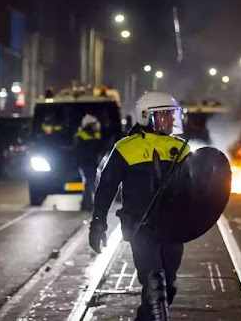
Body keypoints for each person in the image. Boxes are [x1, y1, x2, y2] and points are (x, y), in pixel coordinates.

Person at [89, 91, 189, 320]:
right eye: (165, 114)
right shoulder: (126, 148)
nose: (172, 120)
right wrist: (97, 224)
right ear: (147, 116)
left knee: (169, 286)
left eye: (173, 114)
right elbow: (106, 188)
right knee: (155, 285)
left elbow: (194, 189)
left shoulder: (181, 148)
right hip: (140, 226)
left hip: (172, 229)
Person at [74, 114, 102, 210]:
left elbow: (99, 148)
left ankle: (88, 202)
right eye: (93, 125)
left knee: (91, 182)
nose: (96, 126)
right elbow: (84, 151)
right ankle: (86, 203)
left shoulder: (96, 135)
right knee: (89, 182)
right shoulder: (80, 136)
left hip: (94, 163)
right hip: (85, 163)